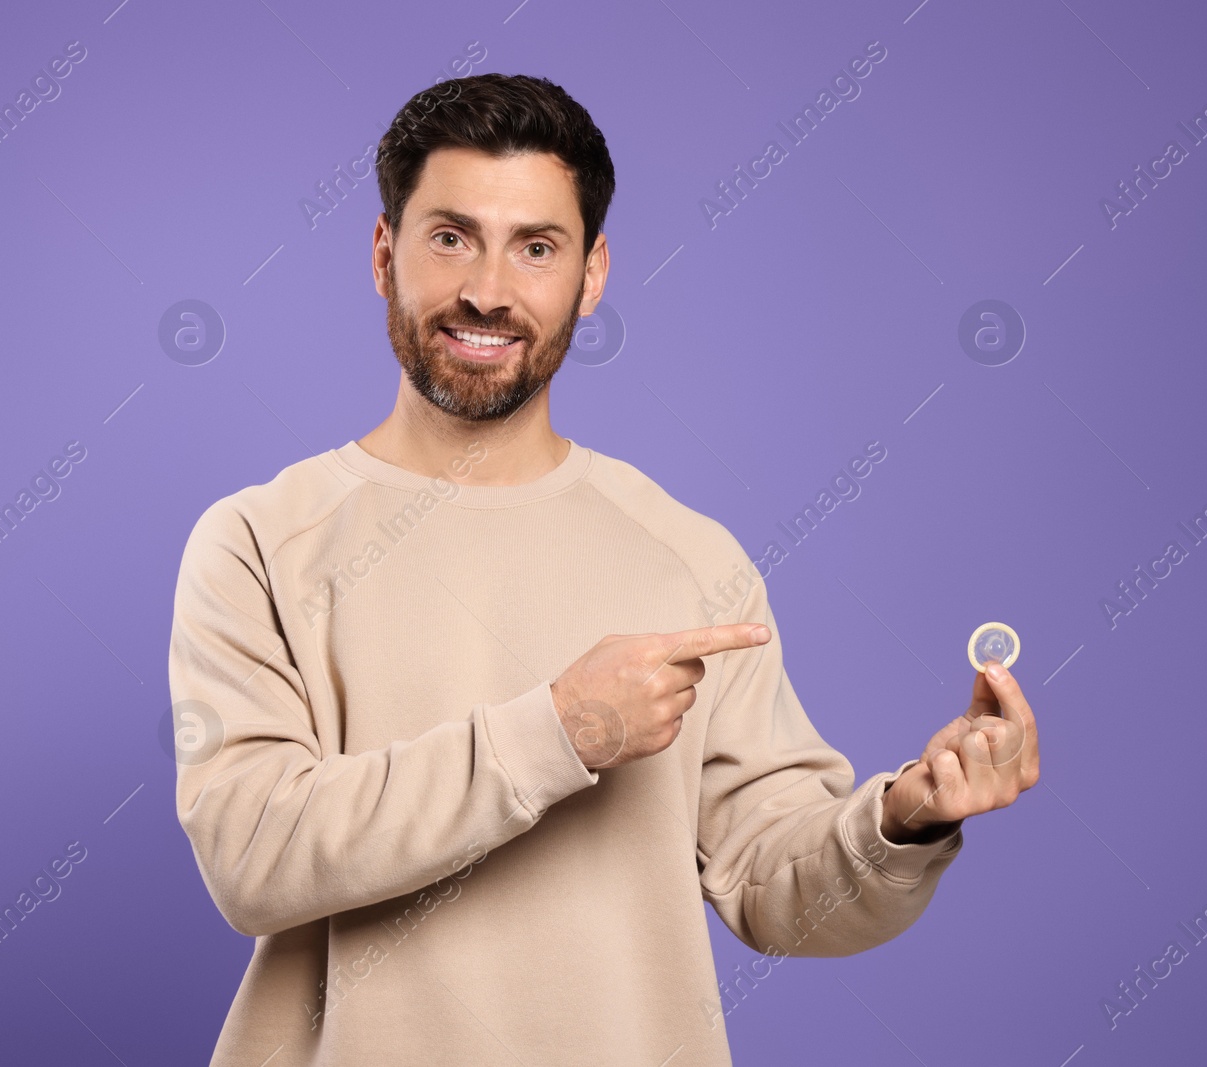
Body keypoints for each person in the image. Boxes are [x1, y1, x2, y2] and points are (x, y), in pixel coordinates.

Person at [168, 72, 1040, 1066]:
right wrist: (562, 730)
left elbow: (774, 887)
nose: (487, 290)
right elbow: (252, 857)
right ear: (382, 254)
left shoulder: (689, 557)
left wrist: (902, 819)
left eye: (535, 247)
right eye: (450, 236)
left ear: (590, 274)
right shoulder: (256, 540)